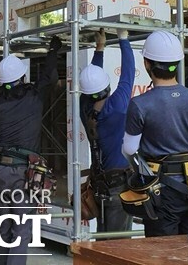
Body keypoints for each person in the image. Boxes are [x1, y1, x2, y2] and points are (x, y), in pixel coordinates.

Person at [0, 36, 61, 265]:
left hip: (2, 172)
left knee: (3, 225)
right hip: (26, 174)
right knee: (21, 229)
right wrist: (53, 50)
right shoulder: (35, 96)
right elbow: (49, 76)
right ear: (22, 77)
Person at [123, 31, 188, 237]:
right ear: (177, 63)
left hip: (160, 191)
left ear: (146, 64)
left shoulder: (140, 104)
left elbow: (129, 149)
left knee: (161, 253)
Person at [78, 28, 134, 235]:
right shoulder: (116, 107)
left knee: (104, 237)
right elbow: (128, 74)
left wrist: (100, 48)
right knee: (118, 243)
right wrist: (123, 39)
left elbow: (92, 80)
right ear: (107, 88)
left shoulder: (85, 107)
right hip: (118, 184)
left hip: (100, 183)